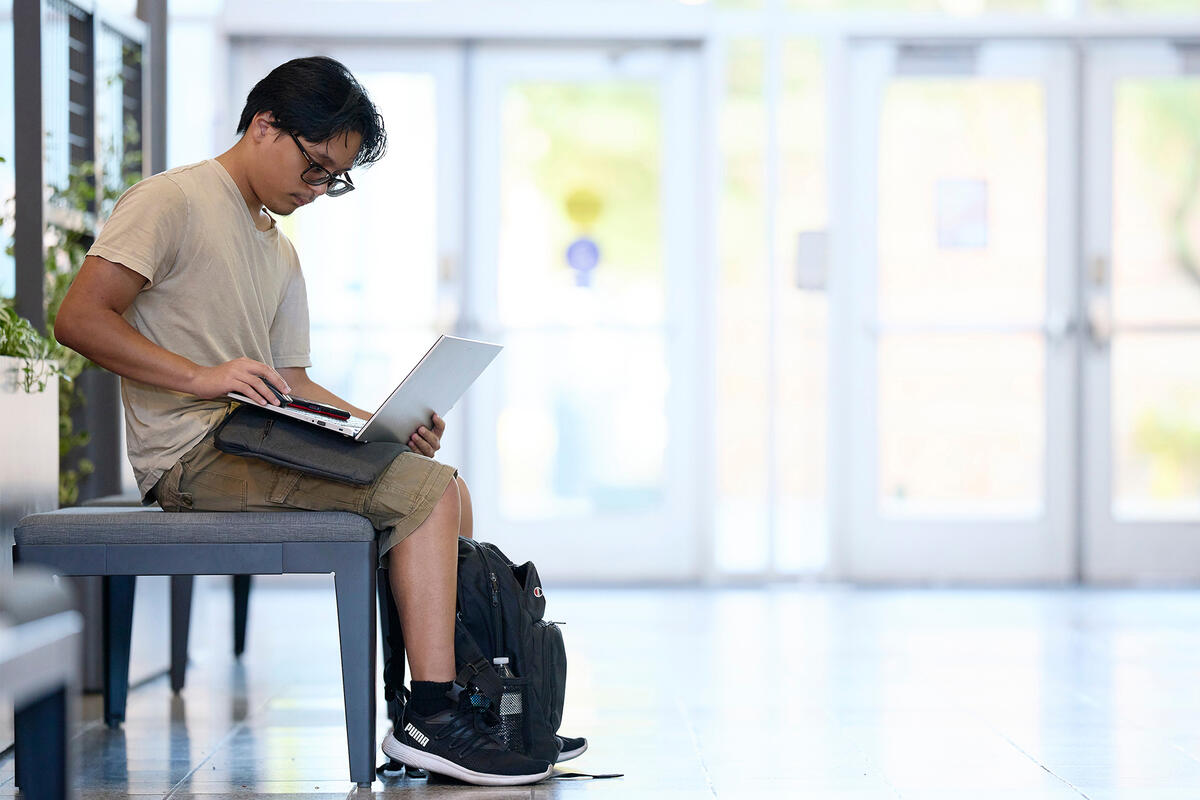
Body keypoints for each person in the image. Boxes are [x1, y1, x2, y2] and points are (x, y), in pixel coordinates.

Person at [53, 56, 554, 787]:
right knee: (427, 494)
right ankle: (435, 717)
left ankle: (470, 712)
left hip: (251, 435)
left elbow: (291, 383)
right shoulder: (172, 201)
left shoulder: (278, 248)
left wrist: (383, 423)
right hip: (192, 454)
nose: (318, 191)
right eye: (316, 168)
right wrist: (202, 376)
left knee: (447, 489)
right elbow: (77, 318)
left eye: (334, 180)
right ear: (264, 126)